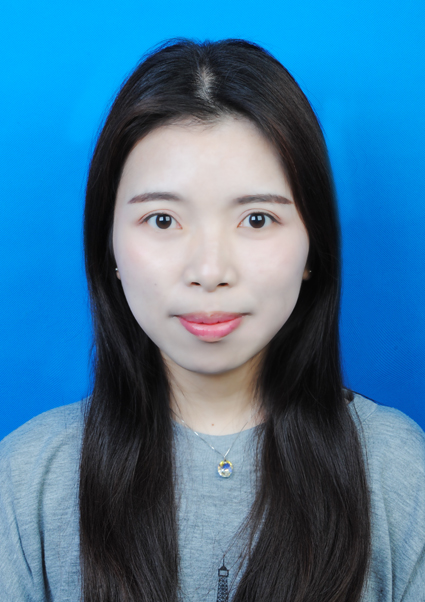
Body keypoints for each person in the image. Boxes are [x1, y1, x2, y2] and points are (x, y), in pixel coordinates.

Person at [0, 38, 424, 602]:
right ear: (109, 248)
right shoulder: (29, 479)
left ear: (312, 247)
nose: (209, 271)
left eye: (256, 219)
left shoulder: (398, 470)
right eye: (162, 220)